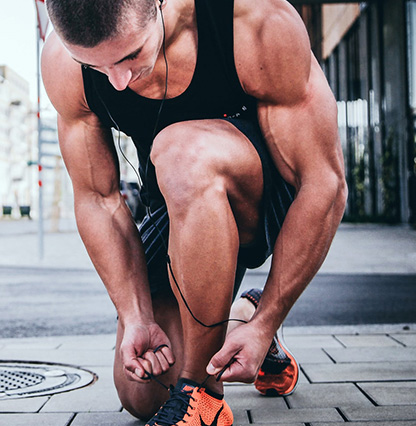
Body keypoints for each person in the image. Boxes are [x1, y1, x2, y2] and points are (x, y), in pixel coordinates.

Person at [41, 0, 347, 424]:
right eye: (95, 66)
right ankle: (241, 313)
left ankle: (203, 396)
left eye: (131, 55)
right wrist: (136, 315)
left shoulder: (254, 21)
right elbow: (98, 199)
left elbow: (324, 183)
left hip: (264, 200)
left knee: (181, 151)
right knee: (142, 393)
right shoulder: (63, 62)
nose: (117, 80)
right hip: (179, 211)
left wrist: (271, 317)